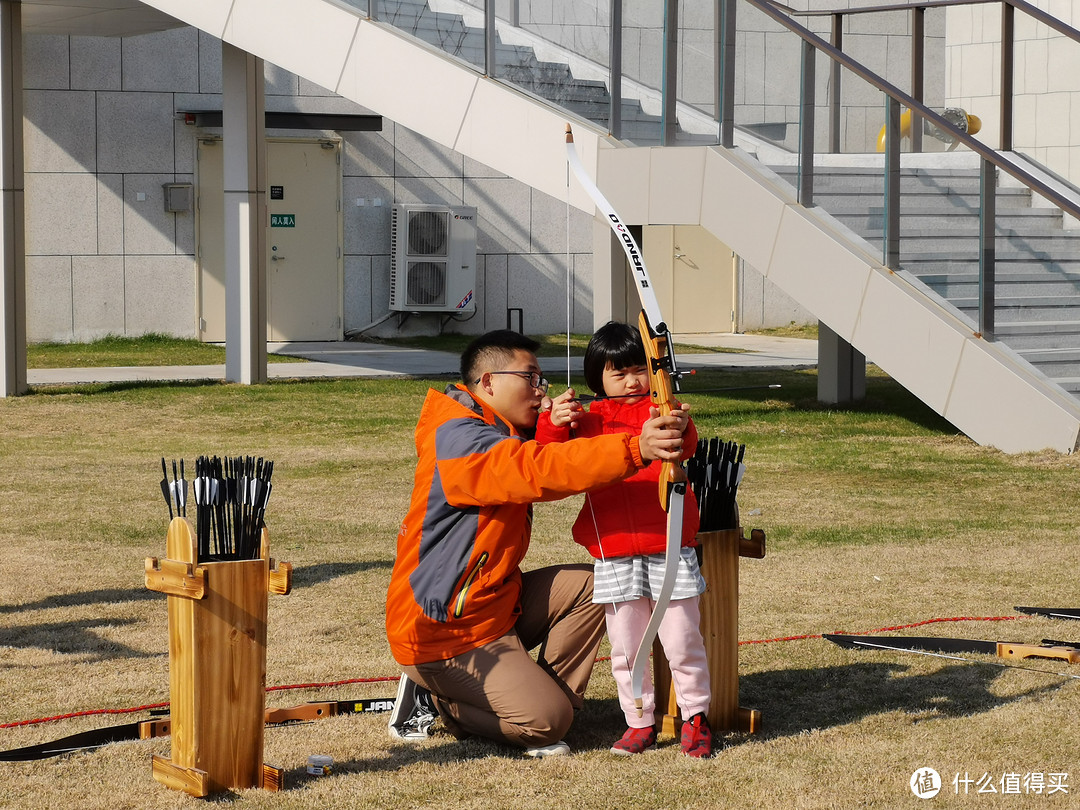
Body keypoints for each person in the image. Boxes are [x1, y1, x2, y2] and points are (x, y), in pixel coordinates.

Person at [384, 329, 690, 758]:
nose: (540, 389)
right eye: (529, 378)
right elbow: (539, 469)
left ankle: (535, 697)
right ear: (488, 382)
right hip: (444, 629)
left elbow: (541, 452)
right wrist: (634, 447)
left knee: (591, 586)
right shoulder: (462, 440)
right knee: (548, 723)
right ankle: (442, 701)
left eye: (541, 379)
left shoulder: (495, 428)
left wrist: (554, 423)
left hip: (491, 608)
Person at [535, 321, 713, 758]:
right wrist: (555, 422)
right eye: (619, 372)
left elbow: (683, 445)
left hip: (669, 546)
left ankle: (696, 718)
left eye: (640, 369)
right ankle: (638, 722)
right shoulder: (588, 420)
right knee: (627, 648)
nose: (633, 381)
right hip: (613, 551)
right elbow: (551, 457)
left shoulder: (659, 409)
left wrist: (678, 422)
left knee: (682, 639)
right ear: (597, 378)